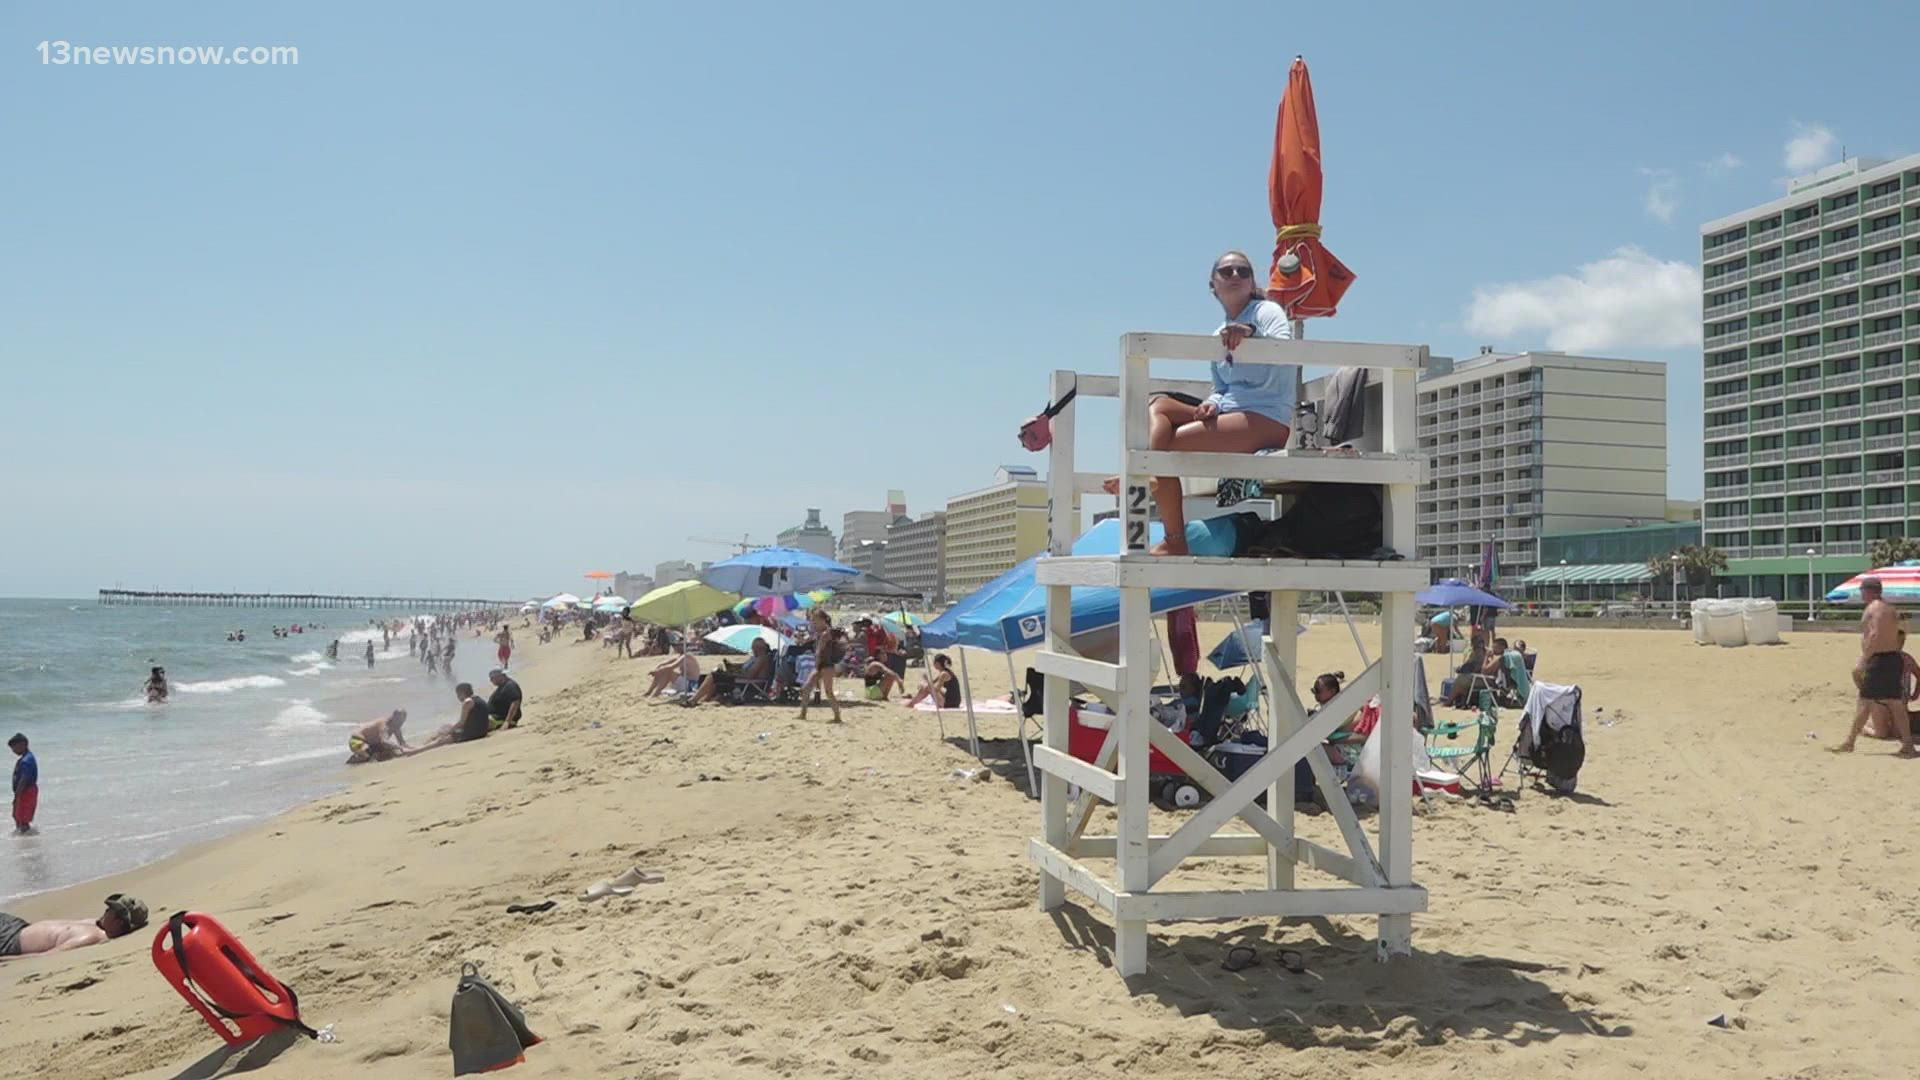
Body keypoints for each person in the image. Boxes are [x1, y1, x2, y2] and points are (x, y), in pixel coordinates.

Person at [1102, 250, 1296, 555]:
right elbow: (1222, 387)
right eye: (1227, 271)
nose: (1235, 276)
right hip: (1231, 412)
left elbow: (1285, 348)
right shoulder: (1217, 333)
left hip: (1265, 416)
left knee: (1166, 446)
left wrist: (1251, 332)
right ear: (1213, 285)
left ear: (1252, 281)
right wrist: (1213, 403)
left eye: (1243, 271)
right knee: (1159, 404)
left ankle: (1172, 535)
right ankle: (1149, 472)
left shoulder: (1267, 312)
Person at [1837, 577, 1915, 755]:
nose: (1861, 594)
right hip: (1893, 658)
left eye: (1862, 591)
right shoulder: (1889, 608)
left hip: (1878, 660)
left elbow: (1874, 634)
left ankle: (1849, 742)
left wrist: (1864, 659)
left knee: (1864, 702)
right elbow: (1900, 631)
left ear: (1869, 591)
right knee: (1896, 704)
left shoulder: (1874, 609)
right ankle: (1908, 744)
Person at [0, 895, 147, 960]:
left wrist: (7, 960)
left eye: (110, 911)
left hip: (9, 941)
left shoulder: (91, 937)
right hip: (17, 926)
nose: (105, 911)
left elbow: (47, 955)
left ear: (119, 923)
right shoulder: (97, 924)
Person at [409, 684, 494, 753]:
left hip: (473, 734)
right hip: (481, 731)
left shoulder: (467, 702)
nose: (458, 697)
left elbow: (461, 722)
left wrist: (450, 731)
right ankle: (422, 745)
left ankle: (417, 750)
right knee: (445, 727)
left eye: (458, 694)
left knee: (442, 739)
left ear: (462, 693)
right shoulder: (479, 699)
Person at [688, 639, 775, 705]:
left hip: (750, 684)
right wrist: (731, 667)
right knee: (713, 677)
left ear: (759, 648)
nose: (752, 649)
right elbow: (743, 668)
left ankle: (694, 700)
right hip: (743, 680)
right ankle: (702, 701)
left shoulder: (762, 659)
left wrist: (733, 674)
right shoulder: (755, 658)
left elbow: (750, 675)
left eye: (754, 648)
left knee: (714, 676)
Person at [797, 609, 845, 723]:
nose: (813, 622)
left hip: (826, 665)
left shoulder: (826, 634)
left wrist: (816, 665)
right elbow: (807, 642)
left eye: (815, 620)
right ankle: (802, 714)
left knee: (829, 692)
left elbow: (818, 651)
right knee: (806, 689)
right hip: (820, 665)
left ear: (823, 620)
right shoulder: (819, 633)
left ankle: (837, 717)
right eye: (813, 620)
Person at [346, 710, 411, 764]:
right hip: (357, 740)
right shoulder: (384, 724)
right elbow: (384, 741)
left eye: (402, 720)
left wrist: (412, 748)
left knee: (390, 754)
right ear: (393, 717)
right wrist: (400, 747)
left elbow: (402, 743)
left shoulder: (396, 726)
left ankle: (369, 754)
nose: (400, 722)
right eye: (398, 719)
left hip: (372, 743)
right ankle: (350, 763)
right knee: (365, 756)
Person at [9, 734, 37, 833]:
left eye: (14, 747)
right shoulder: (26, 758)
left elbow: (24, 779)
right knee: (16, 815)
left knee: (22, 818)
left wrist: (17, 795)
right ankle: (22, 836)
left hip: (26, 791)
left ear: (23, 744)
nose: (13, 751)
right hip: (25, 790)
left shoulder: (26, 761)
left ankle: (26, 838)